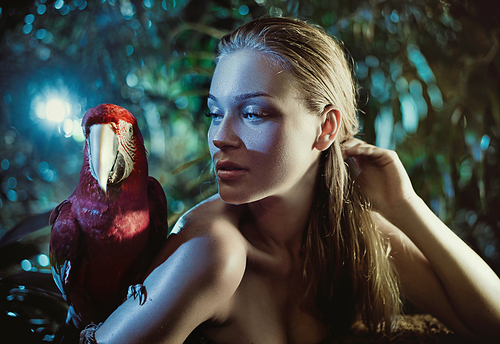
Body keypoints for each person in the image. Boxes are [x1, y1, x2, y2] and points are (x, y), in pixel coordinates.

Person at [84, 17, 500, 343]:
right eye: (215, 111)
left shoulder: (354, 236)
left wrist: (405, 207)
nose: (218, 136)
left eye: (253, 113)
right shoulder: (213, 252)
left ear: (325, 128)